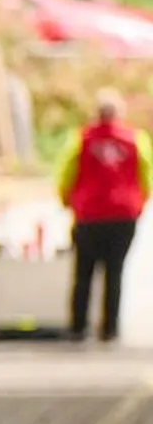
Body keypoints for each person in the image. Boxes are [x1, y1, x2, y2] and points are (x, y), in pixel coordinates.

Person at [57, 88, 150, 342]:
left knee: (83, 272)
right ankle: (110, 328)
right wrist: (139, 204)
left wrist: (66, 200)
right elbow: (146, 176)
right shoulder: (135, 140)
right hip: (123, 215)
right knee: (115, 272)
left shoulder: (81, 139)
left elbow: (67, 173)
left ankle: (79, 326)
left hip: (89, 215)